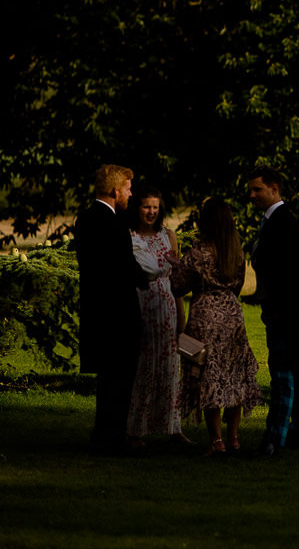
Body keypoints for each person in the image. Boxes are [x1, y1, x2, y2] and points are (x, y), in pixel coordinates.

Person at [171, 198, 263, 456]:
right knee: (234, 375)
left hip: (202, 320)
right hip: (233, 318)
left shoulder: (197, 254)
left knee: (204, 374)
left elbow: (177, 285)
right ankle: (233, 438)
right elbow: (238, 286)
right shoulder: (236, 253)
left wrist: (174, 264)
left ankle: (216, 442)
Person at [74, 164, 151, 454]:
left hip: (96, 310)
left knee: (107, 380)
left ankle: (103, 435)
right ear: (116, 191)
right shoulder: (115, 223)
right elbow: (122, 266)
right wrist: (146, 277)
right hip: (118, 314)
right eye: (129, 189)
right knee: (119, 380)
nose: (131, 194)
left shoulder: (84, 219)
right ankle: (112, 438)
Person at [247, 167, 299, 456]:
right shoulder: (277, 221)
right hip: (290, 311)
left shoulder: (283, 222)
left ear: (274, 189)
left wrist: (275, 309)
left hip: (286, 312)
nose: (251, 196)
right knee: (298, 371)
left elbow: (286, 274)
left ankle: (276, 436)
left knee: (284, 372)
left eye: (257, 190)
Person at [126, 186, 189, 444]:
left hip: (167, 305)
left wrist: (182, 317)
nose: (151, 212)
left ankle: (173, 428)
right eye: (145, 206)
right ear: (137, 208)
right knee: (143, 368)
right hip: (141, 303)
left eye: (155, 206)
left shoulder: (168, 236)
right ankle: (136, 429)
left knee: (170, 368)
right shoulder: (129, 236)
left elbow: (177, 279)